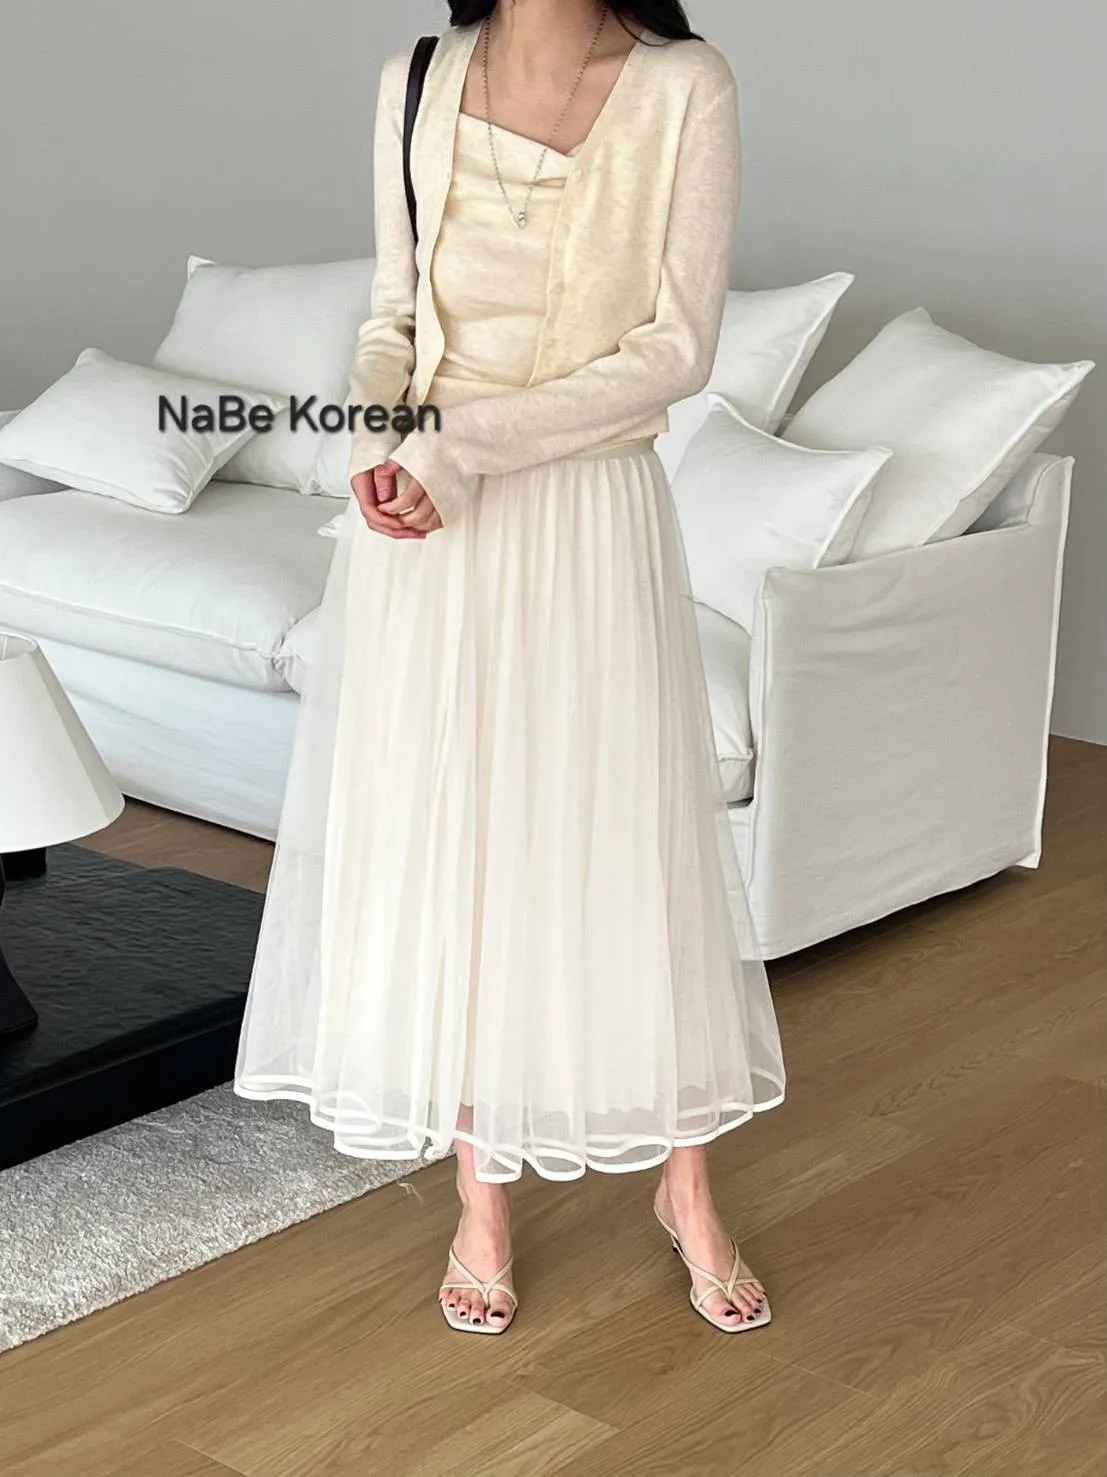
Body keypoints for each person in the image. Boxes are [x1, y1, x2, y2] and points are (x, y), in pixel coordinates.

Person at [234, 0, 786, 1337]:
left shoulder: (684, 84)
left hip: (582, 506)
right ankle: (481, 1198)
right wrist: (380, 447)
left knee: (619, 833)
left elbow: (674, 349)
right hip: (428, 523)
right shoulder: (416, 75)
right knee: (453, 839)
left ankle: (685, 1186)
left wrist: (459, 448)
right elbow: (391, 315)